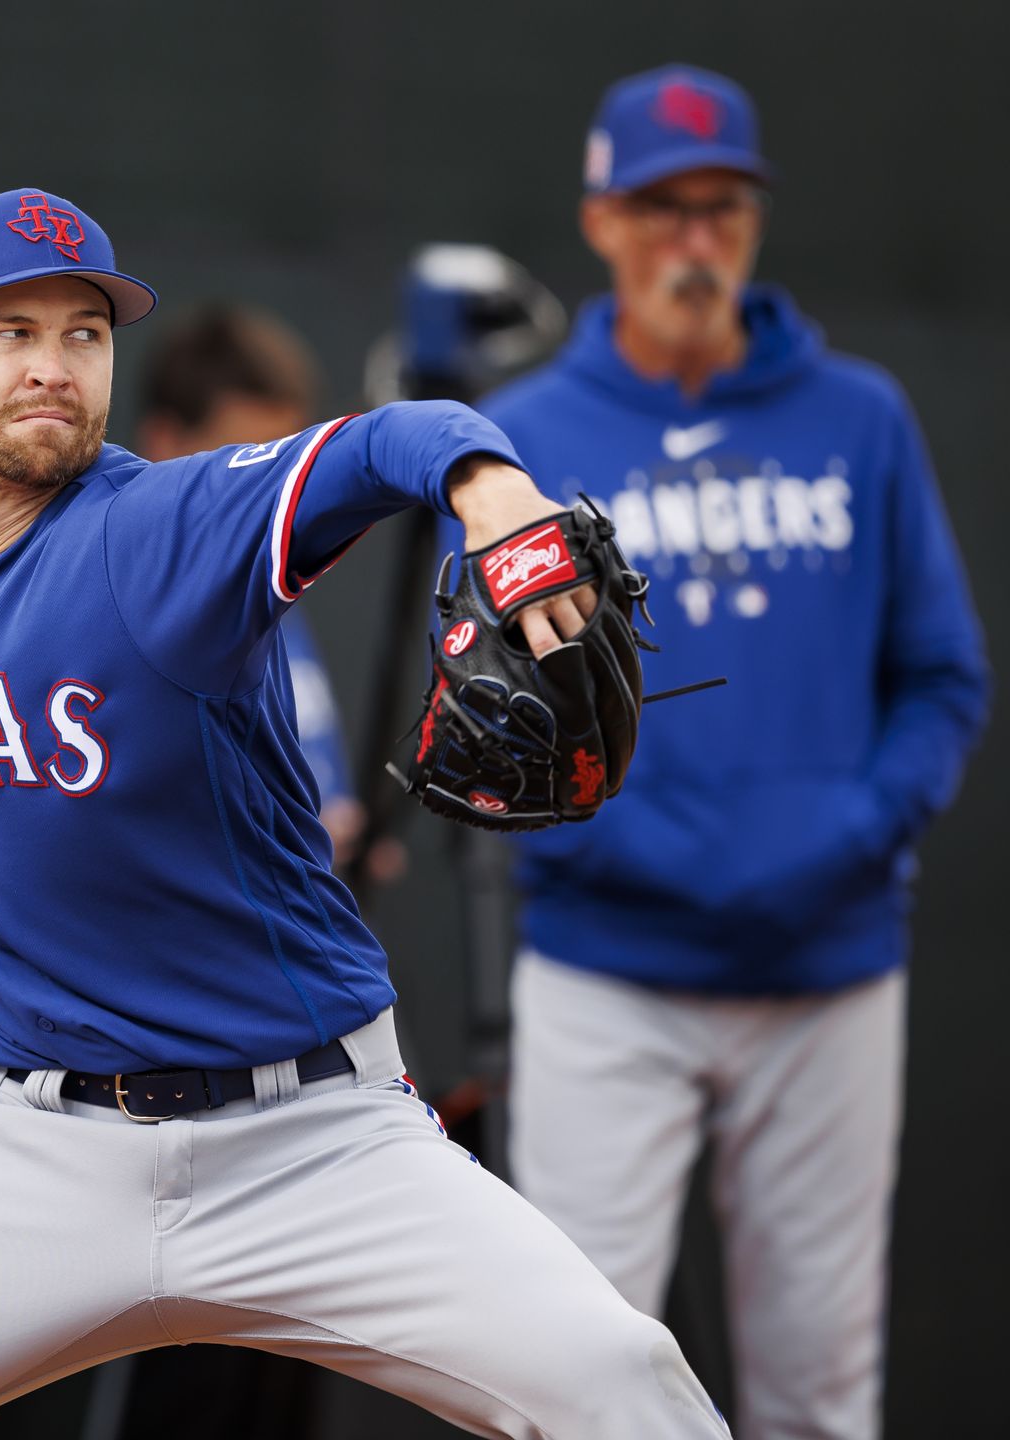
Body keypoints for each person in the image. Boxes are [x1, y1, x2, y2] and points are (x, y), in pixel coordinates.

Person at [0, 186, 730, 1439]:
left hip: (311, 1145)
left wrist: (484, 482)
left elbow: (383, 442)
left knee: (624, 1390)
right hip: (30, 1154)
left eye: (83, 331)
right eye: (9, 332)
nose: (53, 366)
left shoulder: (169, 526)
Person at [453, 67, 990, 1440]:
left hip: (828, 971)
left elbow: (941, 678)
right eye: (663, 208)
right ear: (602, 220)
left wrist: (852, 835)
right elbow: (502, 718)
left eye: (722, 209)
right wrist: (648, 849)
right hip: (609, 975)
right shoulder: (535, 438)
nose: (695, 238)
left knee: (819, 1391)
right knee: (566, 1381)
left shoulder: (857, 417)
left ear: (752, 222)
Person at [135, 304, 366, 869]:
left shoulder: (268, 573)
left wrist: (338, 828)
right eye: (246, 460)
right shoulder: (135, 605)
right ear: (164, 440)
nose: (271, 489)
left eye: (287, 464)